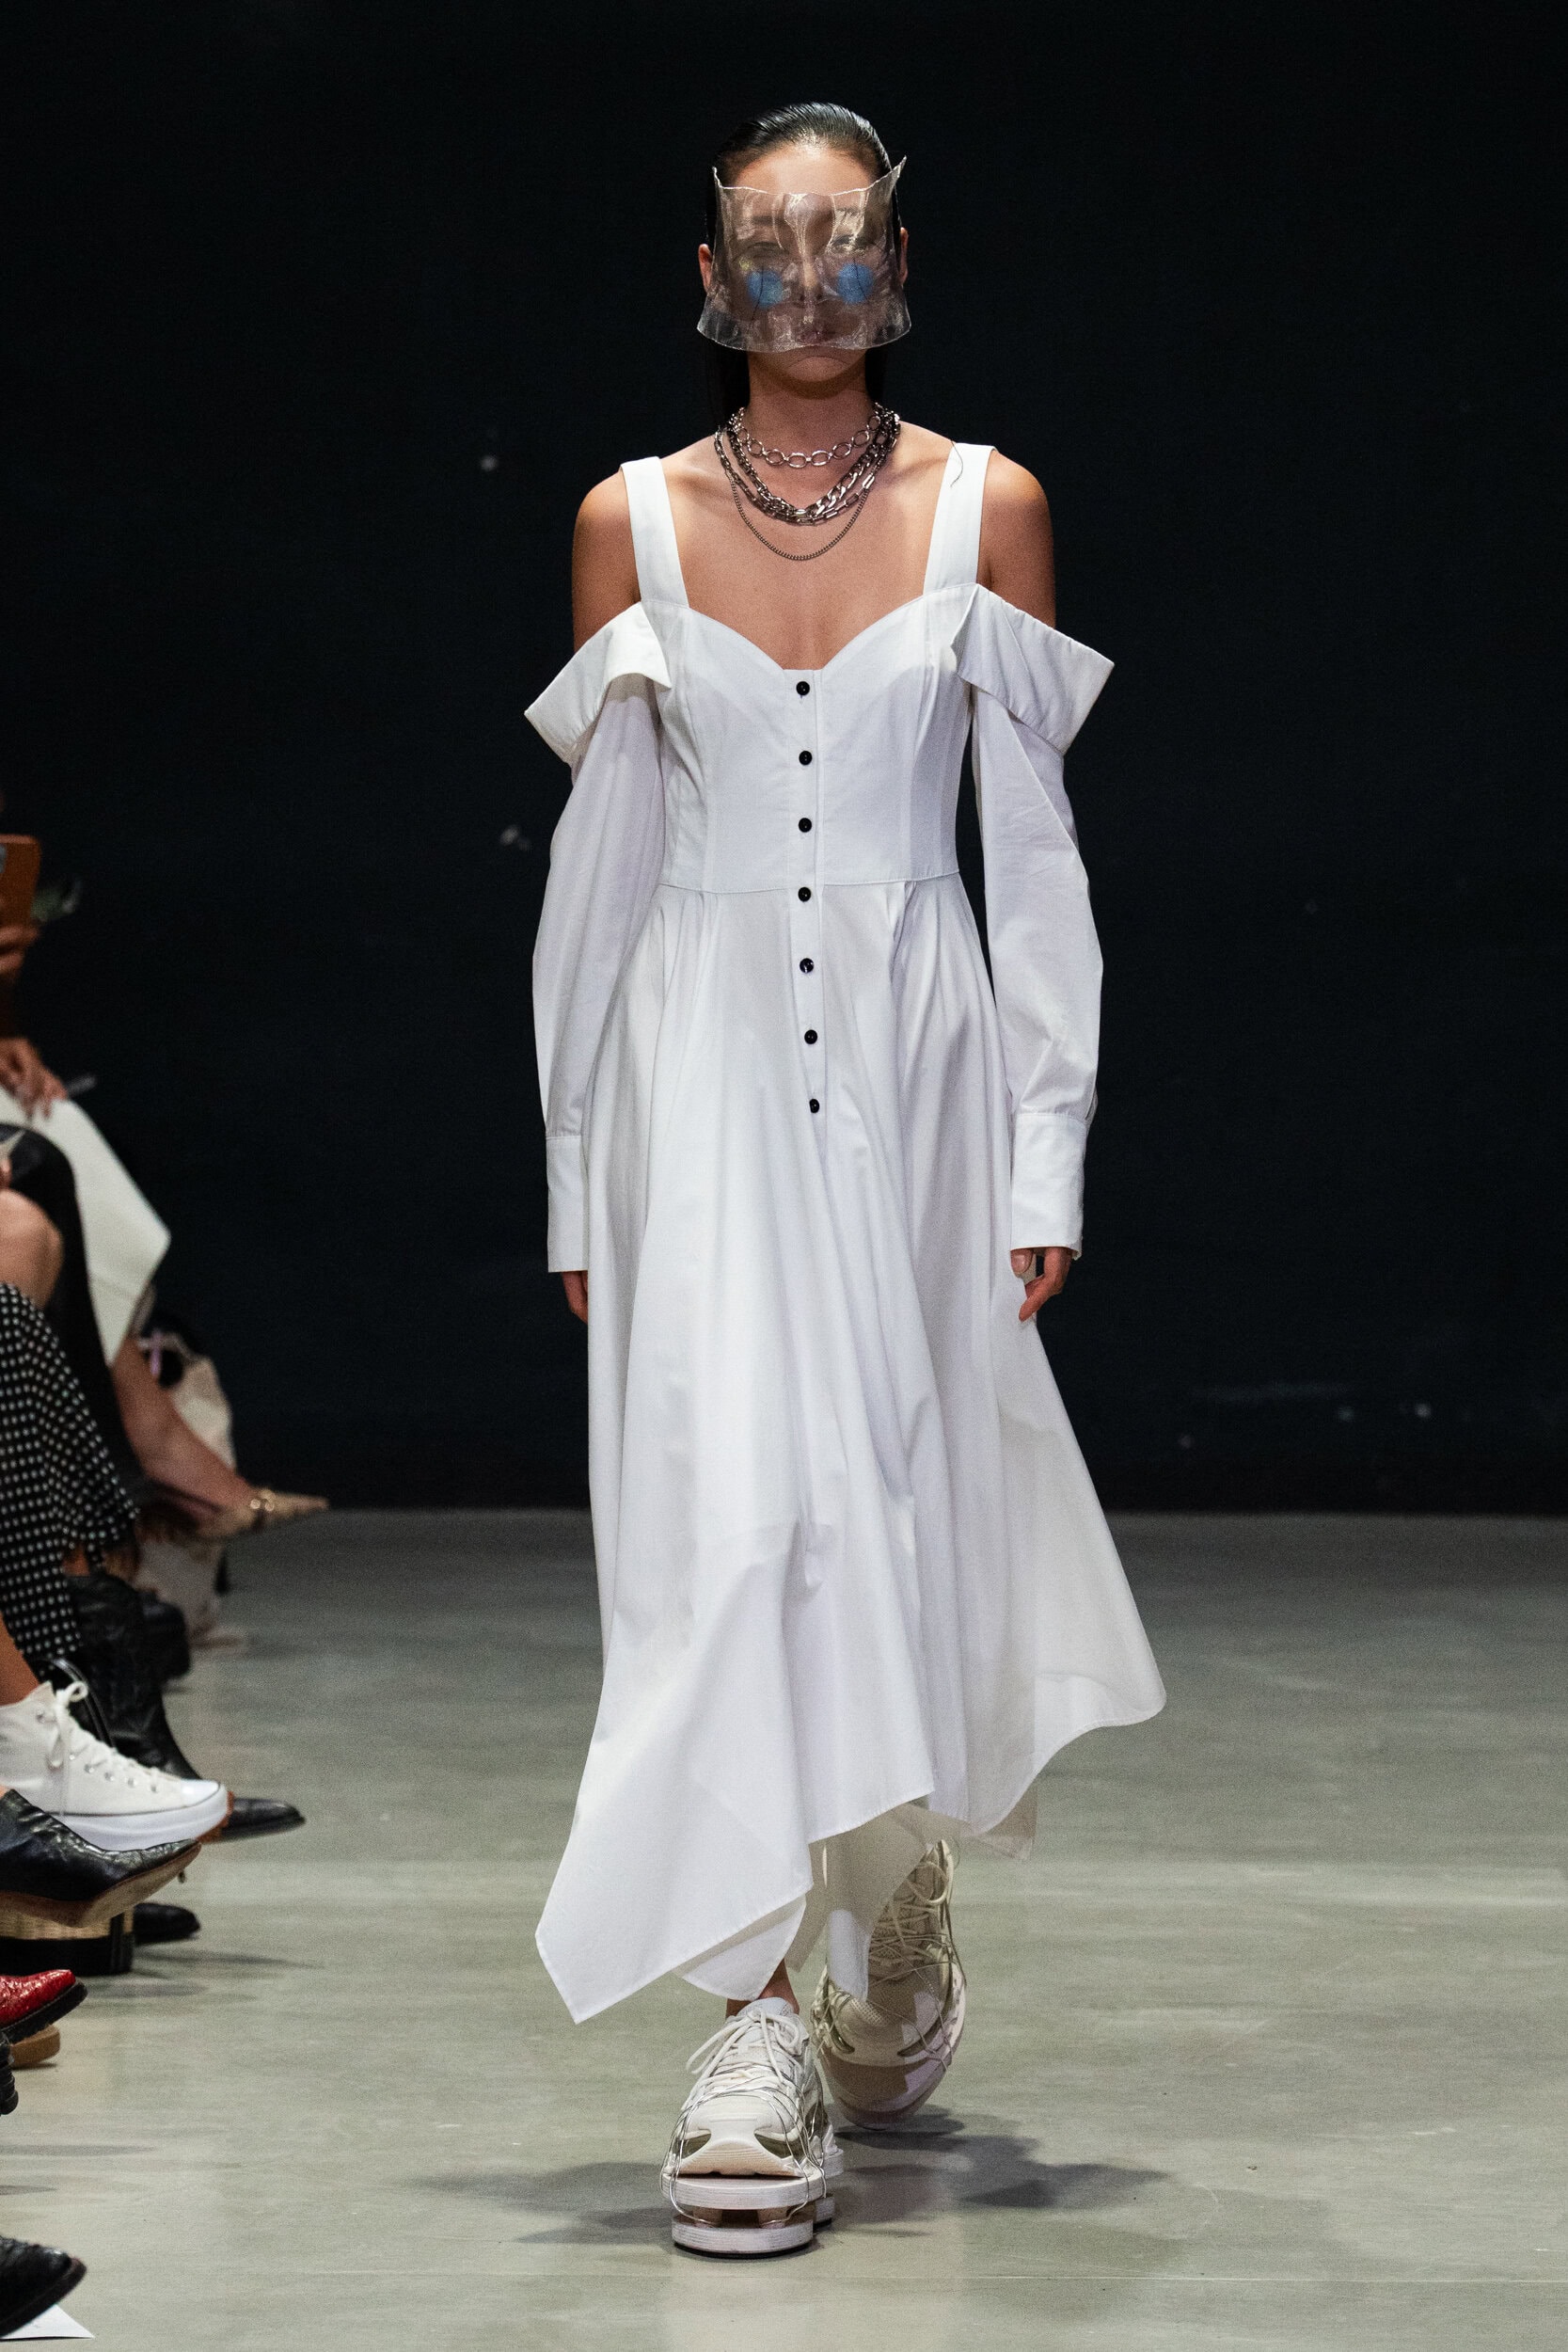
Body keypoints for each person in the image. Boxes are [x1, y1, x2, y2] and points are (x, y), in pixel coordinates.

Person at [528, 103, 1165, 2255]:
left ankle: (890, 1870)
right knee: (723, 1520)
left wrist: (1047, 1134)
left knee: (888, 1490)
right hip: (694, 1070)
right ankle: (751, 2021)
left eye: (845, 234)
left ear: (900, 256)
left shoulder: (991, 507)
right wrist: (576, 1166)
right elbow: (602, 869)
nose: (808, 276)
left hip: (919, 1064)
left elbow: (1036, 852)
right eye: (766, 238)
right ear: (708, 272)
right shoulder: (632, 521)